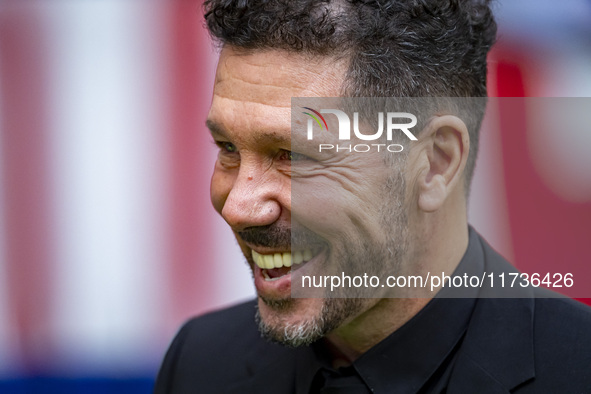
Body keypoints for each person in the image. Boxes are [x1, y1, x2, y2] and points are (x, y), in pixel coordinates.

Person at [154, 1, 591, 393]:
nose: (238, 207)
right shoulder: (199, 364)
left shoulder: (576, 370)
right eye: (228, 148)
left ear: (436, 162)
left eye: (292, 155)